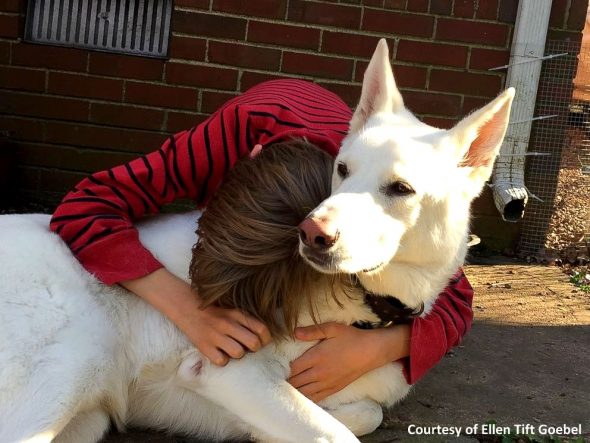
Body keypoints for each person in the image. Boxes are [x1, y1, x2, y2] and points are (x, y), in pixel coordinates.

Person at [50, 79, 474, 403]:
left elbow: (456, 294)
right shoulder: (222, 141)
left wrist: (379, 346)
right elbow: (83, 206)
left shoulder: (369, 180)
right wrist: (189, 309)